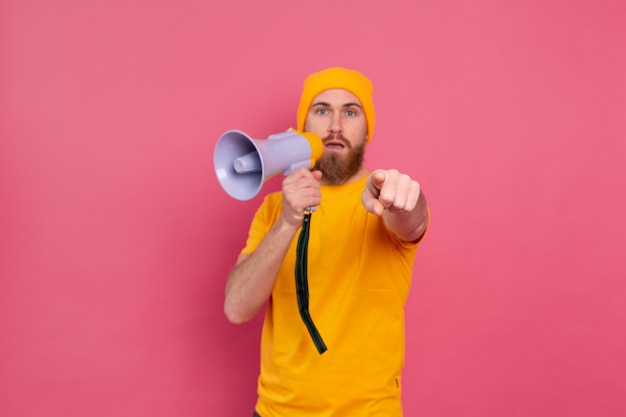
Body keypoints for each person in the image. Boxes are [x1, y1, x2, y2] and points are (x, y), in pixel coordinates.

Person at [224, 67, 430, 416]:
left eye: (350, 112)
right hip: (276, 411)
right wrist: (288, 220)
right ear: (303, 127)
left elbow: (412, 221)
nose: (335, 125)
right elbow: (236, 308)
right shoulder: (275, 208)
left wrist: (406, 199)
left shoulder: (381, 197)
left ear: (367, 131)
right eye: (322, 110)